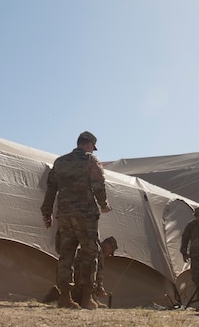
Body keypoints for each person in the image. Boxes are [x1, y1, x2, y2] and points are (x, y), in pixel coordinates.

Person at [40, 131, 112, 309]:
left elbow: (51, 189)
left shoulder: (60, 162)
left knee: (66, 255)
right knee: (90, 255)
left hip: (64, 215)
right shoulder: (90, 160)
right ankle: (87, 297)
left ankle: (64, 297)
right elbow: (98, 184)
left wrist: (47, 212)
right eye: (92, 148)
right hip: (85, 215)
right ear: (89, 145)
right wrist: (104, 205)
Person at [42, 235, 118, 308]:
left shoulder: (90, 249)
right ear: (108, 247)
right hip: (80, 284)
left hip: (74, 282)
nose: (109, 255)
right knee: (84, 288)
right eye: (110, 251)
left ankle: (61, 293)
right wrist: (99, 289)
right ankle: (58, 294)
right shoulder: (97, 253)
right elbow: (96, 275)